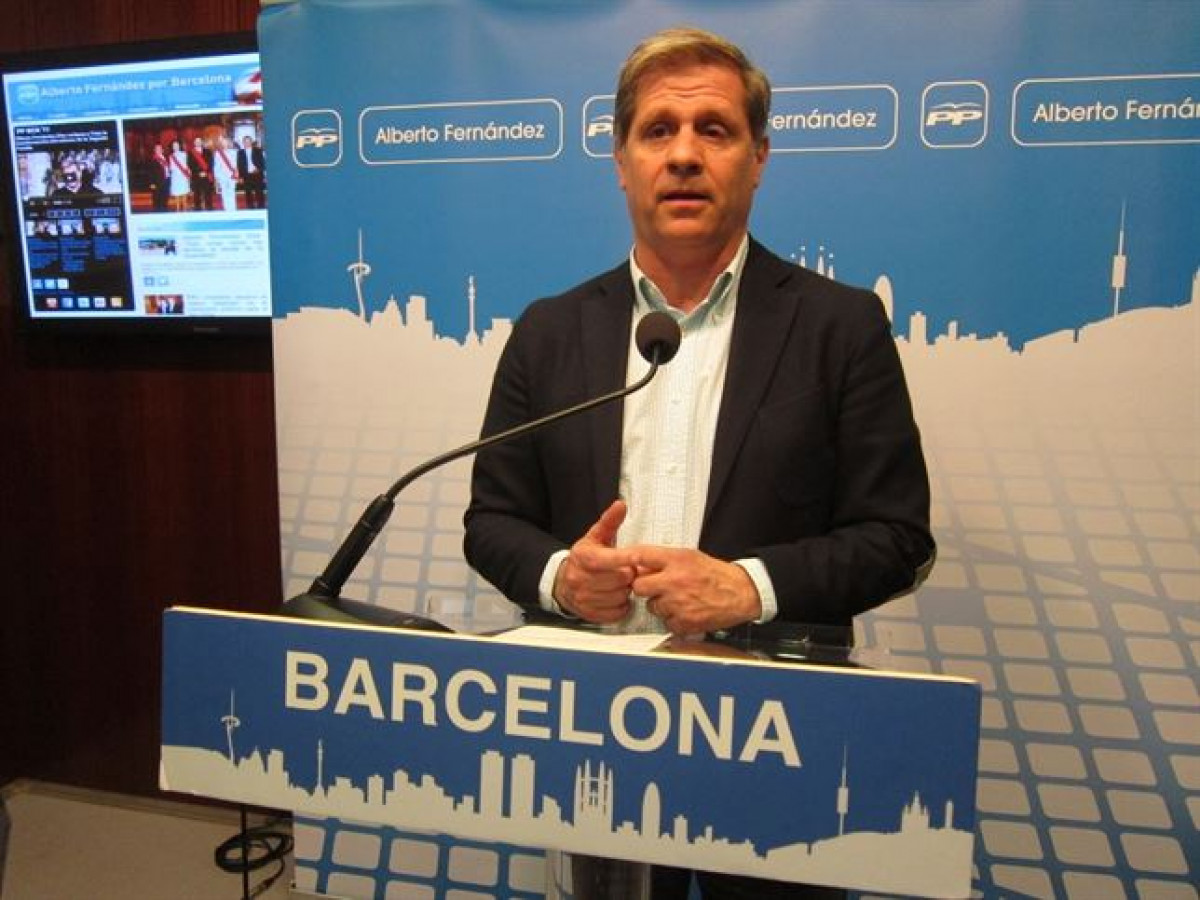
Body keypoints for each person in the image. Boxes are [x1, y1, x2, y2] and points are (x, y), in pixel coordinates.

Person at [463, 26, 934, 900]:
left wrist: (747, 586)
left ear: (758, 159)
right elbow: (491, 523)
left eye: (713, 129)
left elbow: (898, 538)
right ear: (621, 161)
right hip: (594, 735)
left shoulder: (840, 327)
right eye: (658, 130)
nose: (683, 154)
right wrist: (565, 577)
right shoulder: (548, 331)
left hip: (773, 747)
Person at [237, 135, 266, 208]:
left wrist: (258, 169)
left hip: (257, 174)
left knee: (259, 192)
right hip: (246, 175)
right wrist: (240, 177)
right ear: (243, 143)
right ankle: (250, 208)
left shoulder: (258, 151)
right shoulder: (240, 152)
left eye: (248, 141)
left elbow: (263, 163)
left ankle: (261, 207)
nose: (247, 143)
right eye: (245, 141)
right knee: (248, 192)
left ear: (251, 142)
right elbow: (239, 165)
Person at [187, 136, 215, 211]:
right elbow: (190, 164)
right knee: (197, 195)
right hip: (196, 177)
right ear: (194, 143)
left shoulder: (208, 151)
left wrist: (205, 172)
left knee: (208, 194)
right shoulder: (190, 153)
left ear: (201, 142)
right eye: (196, 141)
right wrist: (199, 172)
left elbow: (211, 163)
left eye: (199, 141)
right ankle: (197, 210)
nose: (198, 143)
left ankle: (209, 210)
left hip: (206, 176)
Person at [212, 135, 239, 211]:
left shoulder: (234, 152)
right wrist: (217, 177)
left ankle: (233, 209)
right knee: (224, 193)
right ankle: (226, 209)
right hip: (222, 176)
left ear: (228, 142)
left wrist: (236, 174)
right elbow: (216, 166)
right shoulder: (218, 153)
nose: (224, 144)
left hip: (232, 175)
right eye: (223, 142)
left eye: (225, 142)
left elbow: (236, 164)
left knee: (232, 192)